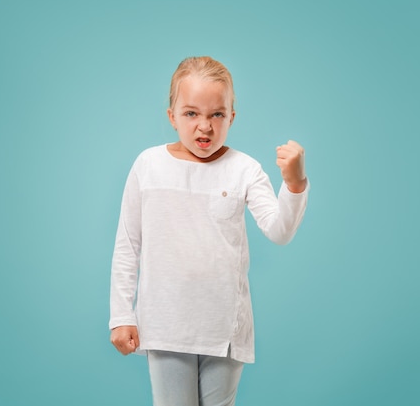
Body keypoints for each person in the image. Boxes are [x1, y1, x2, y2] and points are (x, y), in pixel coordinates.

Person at [109, 56, 309, 406]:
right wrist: (122, 315)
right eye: (191, 113)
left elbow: (279, 231)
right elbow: (128, 245)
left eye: (217, 114)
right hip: (167, 323)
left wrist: (294, 184)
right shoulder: (148, 166)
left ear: (231, 117)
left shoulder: (245, 169)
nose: (205, 126)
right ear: (172, 116)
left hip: (225, 329)